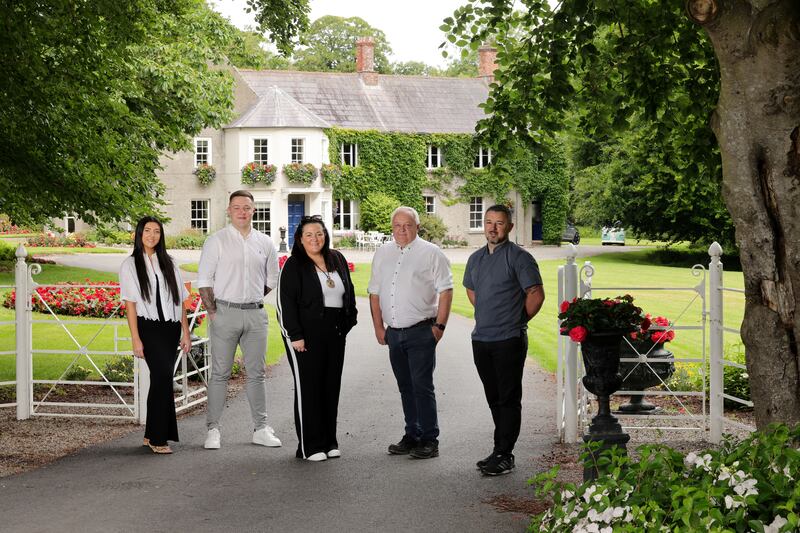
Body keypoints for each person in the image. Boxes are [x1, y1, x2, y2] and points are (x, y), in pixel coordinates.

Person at [463, 204, 545, 476]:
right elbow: (472, 292)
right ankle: (499, 450)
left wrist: (516, 321)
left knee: (509, 398)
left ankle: (504, 454)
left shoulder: (519, 258)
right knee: (494, 397)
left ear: (509, 227)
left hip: (509, 339)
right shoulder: (475, 259)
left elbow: (535, 294)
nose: (493, 228)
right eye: (488, 222)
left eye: (499, 223)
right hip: (482, 340)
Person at [197, 190, 281, 450]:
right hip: (224, 313)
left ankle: (260, 428)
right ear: (229, 211)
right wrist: (214, 312)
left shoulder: (265, 243)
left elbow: (271, 280)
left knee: (256, 374)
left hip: (255, 315)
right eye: (237, 207)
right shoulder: (216, 241)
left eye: (247, 207)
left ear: (254, 210)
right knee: (220, 373)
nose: (242, 212)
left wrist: (251, 298)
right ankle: (213, 430)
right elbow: (204, 281)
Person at [368, 206, 453, 459]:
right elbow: (374, 292)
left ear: (417, 227)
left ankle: (429, 439)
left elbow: (446, 290)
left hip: (421, 331)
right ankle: (412, 434)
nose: (402, 230)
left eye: (407, 225)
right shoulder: (382, 253)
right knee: (405, 386)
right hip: (394, 333)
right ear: (392, 227)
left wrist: (439, 327)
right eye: (397, 225)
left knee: (422, 386)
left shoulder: (431, 253)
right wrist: (378, 327)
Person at [276, 215, 358, 462]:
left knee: (330, 386)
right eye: (309, 235)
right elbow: (284, 304)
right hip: (304, 336)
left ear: (326, 235)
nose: (315, 239)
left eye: (319, 233)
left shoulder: (337, 259)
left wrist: (347, 322)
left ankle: (328, 441)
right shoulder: (293, 265)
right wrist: (295, 335)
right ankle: (309, 446)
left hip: (334, 332)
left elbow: (349, 293)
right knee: (308, 389)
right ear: (300, 239)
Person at [120, 216, 192, 454]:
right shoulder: (130, 265)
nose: (152, 235)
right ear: (139, 234)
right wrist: (135, 338)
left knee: (160, 381)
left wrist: (185, 332)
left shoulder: (169, 262)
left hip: (170, 328)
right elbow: (130, 304)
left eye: (157, 232)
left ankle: (151, 432)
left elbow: (180, 300)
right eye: (147, 231)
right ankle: (159, 438)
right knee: (162, 377)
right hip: (148, 328)